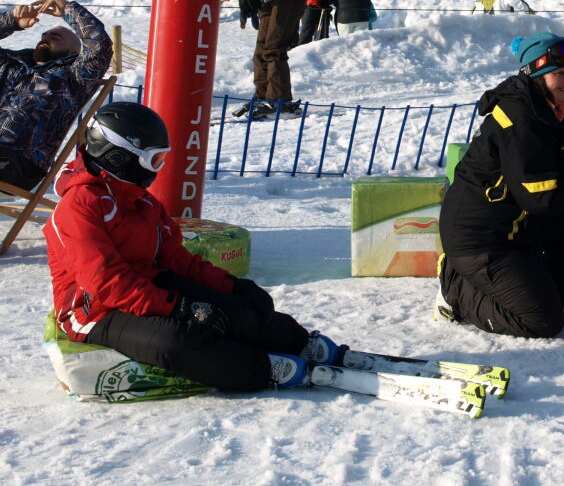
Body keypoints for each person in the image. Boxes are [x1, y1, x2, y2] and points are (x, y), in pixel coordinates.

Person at [45, 102, 344, 391]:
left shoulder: (142, 201)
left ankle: (302, 344)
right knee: (175, 341)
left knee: (235, 312)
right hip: (95, 312)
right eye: (154, 160)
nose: (159, 169)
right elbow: (107, 283)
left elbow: (178, 260)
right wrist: (179, 307)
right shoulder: (77, 208)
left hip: (147, 286)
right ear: (118, 157)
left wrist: (233, 287)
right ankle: (263, 368)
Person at [437, 32, 564, 338]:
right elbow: (543, 198)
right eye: (559, 73)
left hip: (517, 228)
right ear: (536, 74)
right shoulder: (521, 119)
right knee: (541, 321)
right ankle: (454, 289)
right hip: (481, 241)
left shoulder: (552, 111)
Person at [0, 0, 112, 189]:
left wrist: (68, 10)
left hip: (19, 163)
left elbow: (99, 46)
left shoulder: (74, 77)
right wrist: (12, 21)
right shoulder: (10, 65)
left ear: (74, 53)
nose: (46, 39)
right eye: (44, 36)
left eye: (56, 38)